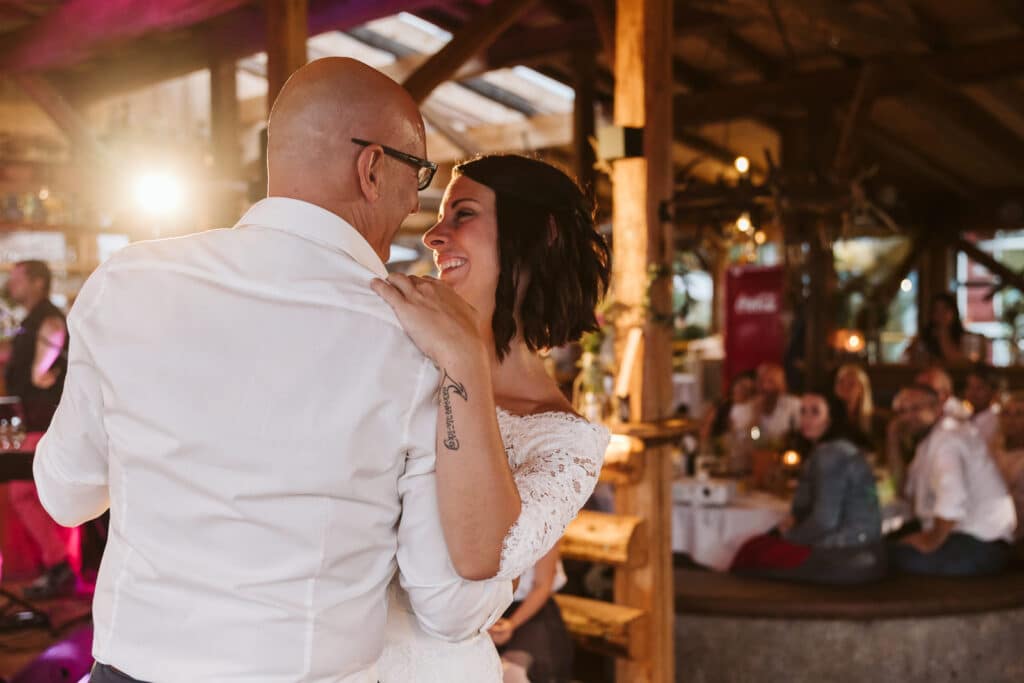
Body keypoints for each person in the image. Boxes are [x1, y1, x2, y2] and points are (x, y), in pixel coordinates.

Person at [33, 58, 511, 682]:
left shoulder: (127, 281)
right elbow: (445, 603)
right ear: (372, 169)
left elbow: (67, 497)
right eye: (417, 174)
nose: (415, 202)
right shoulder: (415, 335)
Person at [372, 154, 611, 681]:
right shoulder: (395, 344)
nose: (434, 235)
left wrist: (463, 359)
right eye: (440, 215)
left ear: (540, 234)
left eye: (464, 214)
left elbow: (480, 554)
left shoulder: (566, 442)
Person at [730, 391, 884, 584]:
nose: (806, 419)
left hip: (846, 554)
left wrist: (790, 536)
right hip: (859, 550)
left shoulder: (831, 454)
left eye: (815, 412)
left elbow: (825, 521)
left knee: (753, 554)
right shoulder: (831, 450)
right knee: (756, 547)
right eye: (802, 411)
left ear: (831, 418)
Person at [1, 260, 75, 599]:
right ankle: (57, 566)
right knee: (27, 493)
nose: (11, 285)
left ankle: (59, 566)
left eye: (17, 280)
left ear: (37, 283)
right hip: (31, 420)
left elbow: (39, 373)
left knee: (23, 492)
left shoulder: (48, 319)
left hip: (44, 421)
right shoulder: (32, 322)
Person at [887, 384, 1016, 576]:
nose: (906, 417)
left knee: (886, 558)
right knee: (884, 545)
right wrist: (893, 439)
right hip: (962, 535)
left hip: (982, 543)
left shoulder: (948, 438)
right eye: (901, 411)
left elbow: (952, 499)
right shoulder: (928, 442)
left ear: (937, 408)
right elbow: (903, 489)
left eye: (915, 409)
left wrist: (930, 541)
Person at [491, 544, 573, 683]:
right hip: (489, 610)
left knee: (513, 671)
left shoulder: (544, 525)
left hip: (531, 609)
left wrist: (512, 624)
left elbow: (543, 585)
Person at [905, 293, 968, 365]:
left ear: (954, 312)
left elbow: (960, 363)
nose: (940, 314)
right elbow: (909, 360)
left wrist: (943, 337)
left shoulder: (965, 339)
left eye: (945, 309)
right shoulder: (923, 338)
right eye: (936, 310)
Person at [753, 363, 801, 444]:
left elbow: (799, 433)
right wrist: (755, 417)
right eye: (761, 381)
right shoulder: (754, 405)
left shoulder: (794, 404)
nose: (765, 386)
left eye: (770, 381)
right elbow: (755, 438)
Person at [833, 363, 876, 451]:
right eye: (841, 382)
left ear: (862, 388)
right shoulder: (829, 418)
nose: (845, 387)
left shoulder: (875, 419)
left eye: (851, 384)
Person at [964, 363, 1002, 451]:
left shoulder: (996, 423)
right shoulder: (963, 418)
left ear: (993, 392)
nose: (972, 393)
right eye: (970, 387)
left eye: (979, 388)